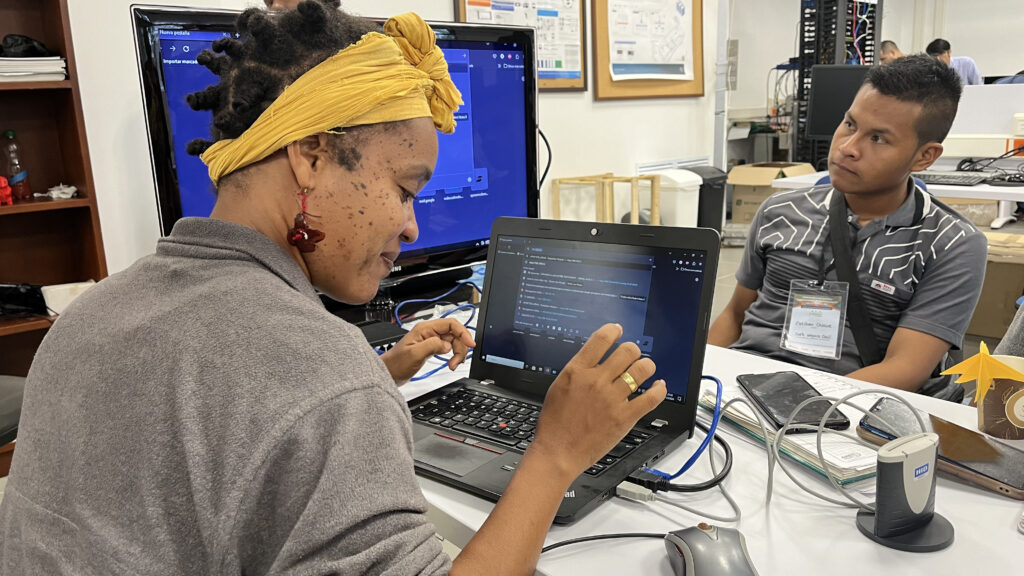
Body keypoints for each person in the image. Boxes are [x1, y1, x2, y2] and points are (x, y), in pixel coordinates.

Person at [0, 2, 666, 574]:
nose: (411, 225)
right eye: (405, 188)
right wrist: (556, 453)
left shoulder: (91, 312)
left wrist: (378, 374)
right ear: (312, 154)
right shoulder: (320, 377)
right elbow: (286, 394)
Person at [709, 54, 987, 402]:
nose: (847, 147)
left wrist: (792, 408)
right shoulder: (780, 211)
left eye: (878, 138)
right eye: (850, 124)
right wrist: (696, 382)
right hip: (738, 389)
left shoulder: (952, 244)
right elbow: (735, 316)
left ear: (924, 156)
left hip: (847, 407)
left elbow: (906, 369)